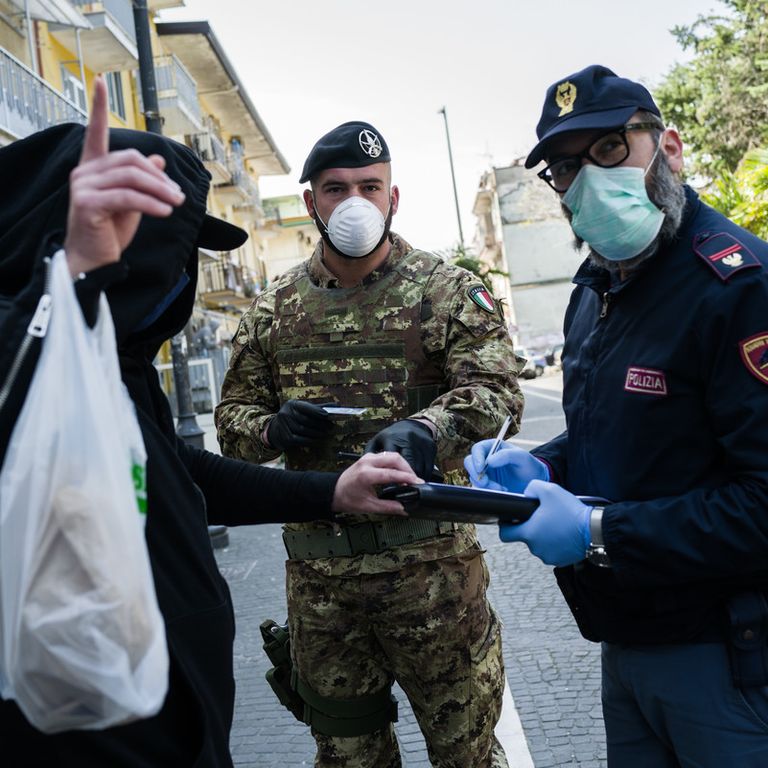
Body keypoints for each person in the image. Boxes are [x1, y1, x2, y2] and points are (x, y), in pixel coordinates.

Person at [0, 78, 422, 768]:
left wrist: (332, 491)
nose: (187, 274)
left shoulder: (117, 364)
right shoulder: (39, 350)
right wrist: (73, 279)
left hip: (174, 723)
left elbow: (182, 473)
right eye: (176, 246)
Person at [465, 64, 768, 767]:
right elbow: (617, 429)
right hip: (625, 638)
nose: (589, 182)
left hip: (728, 654)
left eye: (608, 149)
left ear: (669, 148)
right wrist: (543, 466)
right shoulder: (596, 289)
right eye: (567, 169)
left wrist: (598, 531)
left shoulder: (738, 287)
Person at [215, 120, 522, 767]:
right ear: (311, 202)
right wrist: (271, 429)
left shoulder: (444, 291)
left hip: (433, 576)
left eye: (369, 186)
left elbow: (499, 393)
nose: (354, 201)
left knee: (467, 757)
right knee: (349, 758)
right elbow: (232, 423)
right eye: (336, 188)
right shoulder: (271, 310)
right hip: (322, 589)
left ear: (393, 197)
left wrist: (429, 428)